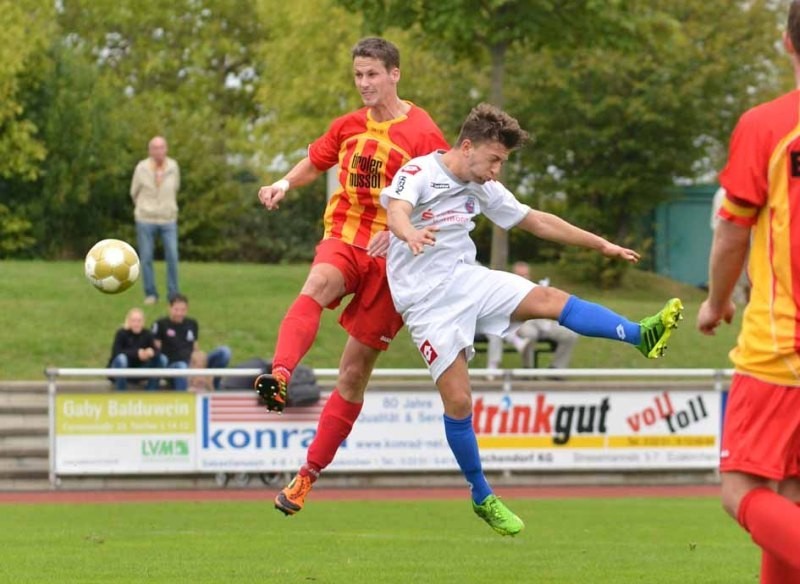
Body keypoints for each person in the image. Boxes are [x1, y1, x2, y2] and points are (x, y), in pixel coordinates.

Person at [381, 103, 683, 536]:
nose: (497, 170)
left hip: (466, 279)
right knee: (460, 402)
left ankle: (641, 335)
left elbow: (536, 220)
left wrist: (600, 245)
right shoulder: (419, 172)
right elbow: (396, 211)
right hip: (426, 302)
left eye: (502, 162)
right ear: (466, 147)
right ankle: (481, 493)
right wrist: (409, 232)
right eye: (494, 159)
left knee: (548, 298)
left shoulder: (482, 186)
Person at [254, 37, 449, 516]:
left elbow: (444, 200)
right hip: (344, 236)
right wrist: (282, 183)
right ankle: (280, 374)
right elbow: (316, 159)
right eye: (358, 75)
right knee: (316, 285)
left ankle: (306, 476)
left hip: (393, 262)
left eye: (372, 74)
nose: (364, 83)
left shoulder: (424, 133)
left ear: (395, 74)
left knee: (353, 374)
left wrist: (403, 230)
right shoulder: (347, 126)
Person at [697, 3, 800, 580]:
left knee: (740, 490)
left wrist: (716, 302)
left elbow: (733, 230)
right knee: (790, 492)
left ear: (787, 43)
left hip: (783, 347)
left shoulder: (769, 125)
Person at [486, 262, 579, 371]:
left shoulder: (536, 288)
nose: (524, 278)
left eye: (526, 275)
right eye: (521, 275)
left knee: (570, 334)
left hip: (546, 323)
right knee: (530, 335)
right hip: (524, 324)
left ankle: (556, 369)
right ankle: (528, 369)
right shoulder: (508, 292)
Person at [130, 135, 181, 305]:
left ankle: (173, 294)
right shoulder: (141, 168)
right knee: (146, 257)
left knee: (172, 256)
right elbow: (134, 192)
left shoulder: (173, 167)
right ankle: (150, 293)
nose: (159, 151)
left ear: (166, 149)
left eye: (161, 147)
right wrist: (144, 207)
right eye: (155, 148)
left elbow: (176, 188)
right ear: (150, 150)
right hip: (146, 219)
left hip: (168, 219)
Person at [152, 294, 232, 390]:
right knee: (182, 366)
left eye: (183, 310)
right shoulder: (160, 324)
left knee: (224, 351)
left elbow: (195, 347)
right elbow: (156, 350)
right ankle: (184, 396)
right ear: (169, 308)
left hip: (191, 364)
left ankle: (215, 385)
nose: (179, 313)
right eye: (176, 310)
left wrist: (199, 360)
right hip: (174, 365)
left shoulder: (192, 323)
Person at [108, 308, 162, 390]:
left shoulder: (147, 334)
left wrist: (151, 352)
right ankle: (121, 393)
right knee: (122, 358)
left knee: (162, 359)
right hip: (123, 367)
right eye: (133, 321)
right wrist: (137, 353)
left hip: (140, 368)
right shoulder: (121, 333)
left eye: (139, 321)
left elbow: (157, 351)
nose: (136, 324)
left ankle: (151, 391)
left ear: (143, 322)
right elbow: (116, 352)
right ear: (129, 321)